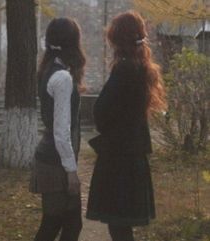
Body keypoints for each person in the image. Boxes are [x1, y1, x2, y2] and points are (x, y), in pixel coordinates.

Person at [86, 11, 167, 241]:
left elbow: (101, 111)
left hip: (119, 157)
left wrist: (106, 124)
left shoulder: (124, 68)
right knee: (122, 227)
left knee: (119, 226)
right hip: (133, 154)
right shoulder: (141, 67)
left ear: (117, 39)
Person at [29, 17, 86, 241]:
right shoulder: (62, 77)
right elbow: (61, 131)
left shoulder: (50, 70)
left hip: (52, 159)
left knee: (69, 224)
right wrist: (71, 171)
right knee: (55, 224)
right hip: (55, 162)